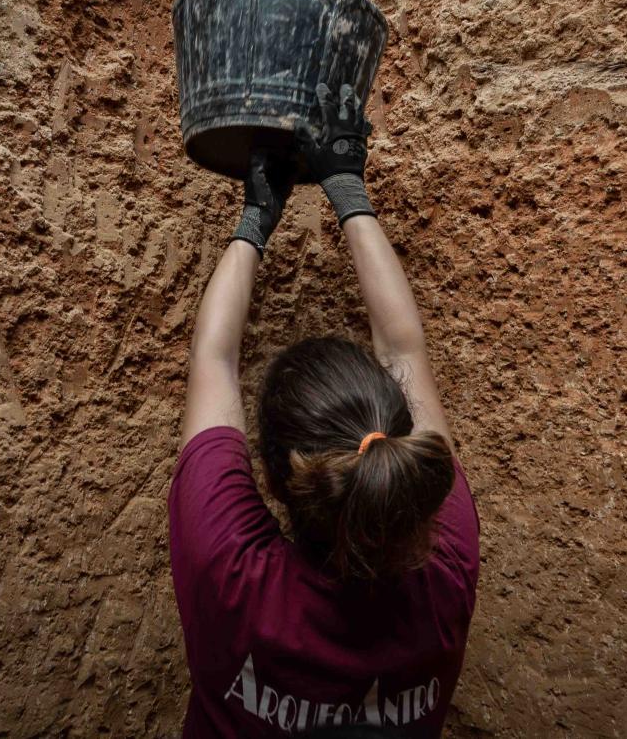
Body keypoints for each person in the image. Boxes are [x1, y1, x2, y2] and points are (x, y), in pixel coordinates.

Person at [169, 87, 480, 737]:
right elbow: (403, 347)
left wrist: (258, 217)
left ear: (277, 479)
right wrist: (349, 190)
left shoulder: (233, 577)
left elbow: (212, 358)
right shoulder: (444, 575)